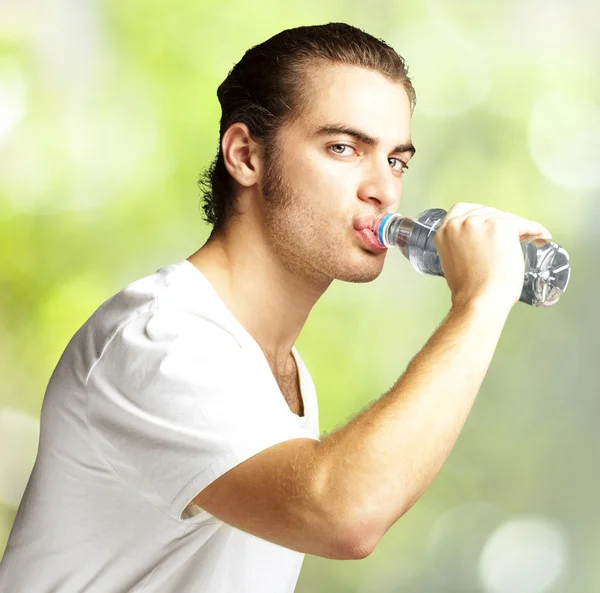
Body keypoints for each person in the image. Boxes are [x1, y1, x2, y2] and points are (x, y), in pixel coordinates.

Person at [0, 22, 552, 593]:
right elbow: (344, 514)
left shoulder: (280, 370)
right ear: (245, 155)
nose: (384, 190)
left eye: (396, 161)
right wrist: (480, 301)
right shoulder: (161, 338)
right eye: (344, 148)